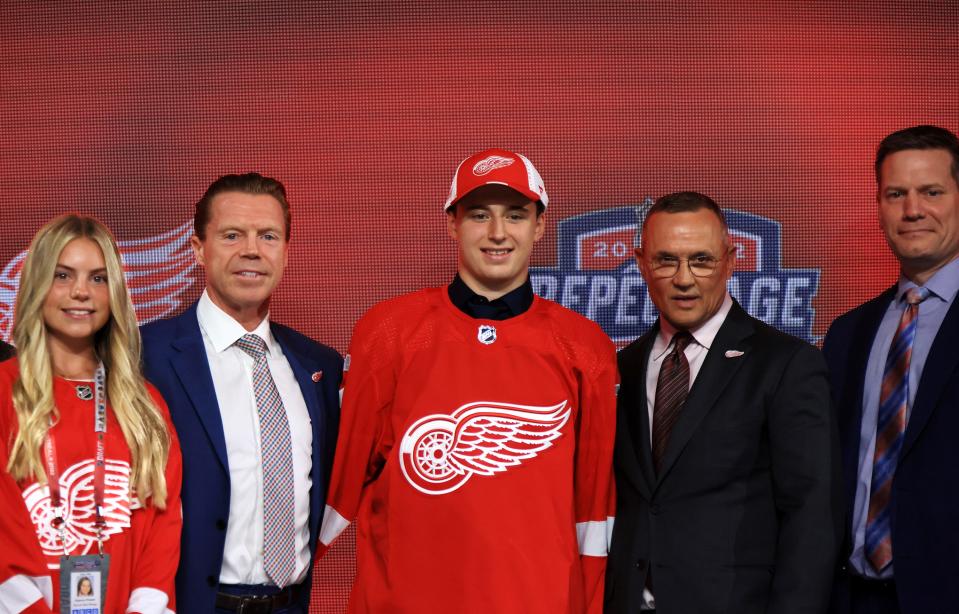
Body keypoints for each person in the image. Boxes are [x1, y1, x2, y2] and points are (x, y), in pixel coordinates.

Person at [319, 148, 618, 613]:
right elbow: (339, 485)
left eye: (515, 215)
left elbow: (594, 507)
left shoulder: (584, 346)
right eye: (479, 215)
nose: (497, 233)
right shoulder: (389, 330)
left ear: (539, 226)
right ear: (451, 223)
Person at [606, 192, 842, 614]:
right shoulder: (620, 367)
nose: (683, 278)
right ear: (641, 264)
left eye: (701, 260)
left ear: (730, 261)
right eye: (665, 260)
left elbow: (812, 517)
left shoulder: (786, 365)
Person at [140, 172, 342, 614]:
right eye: (232, 235)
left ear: (286, 253)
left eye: (268, 236)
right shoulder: (143, 356)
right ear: (198, 249)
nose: (252, 249)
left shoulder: (319, 366)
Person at [0, 214, 182, 612]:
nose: (81, 292)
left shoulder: (145, 405)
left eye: (98, 278)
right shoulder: (3, 392)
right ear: (36, 285)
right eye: (63, 276)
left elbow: (161, 530)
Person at [823, 125, 959, 614]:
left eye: (932, 192)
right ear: (878, 207)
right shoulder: (846, 335)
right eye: (895, 194)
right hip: (852, 599)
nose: (913, 210)